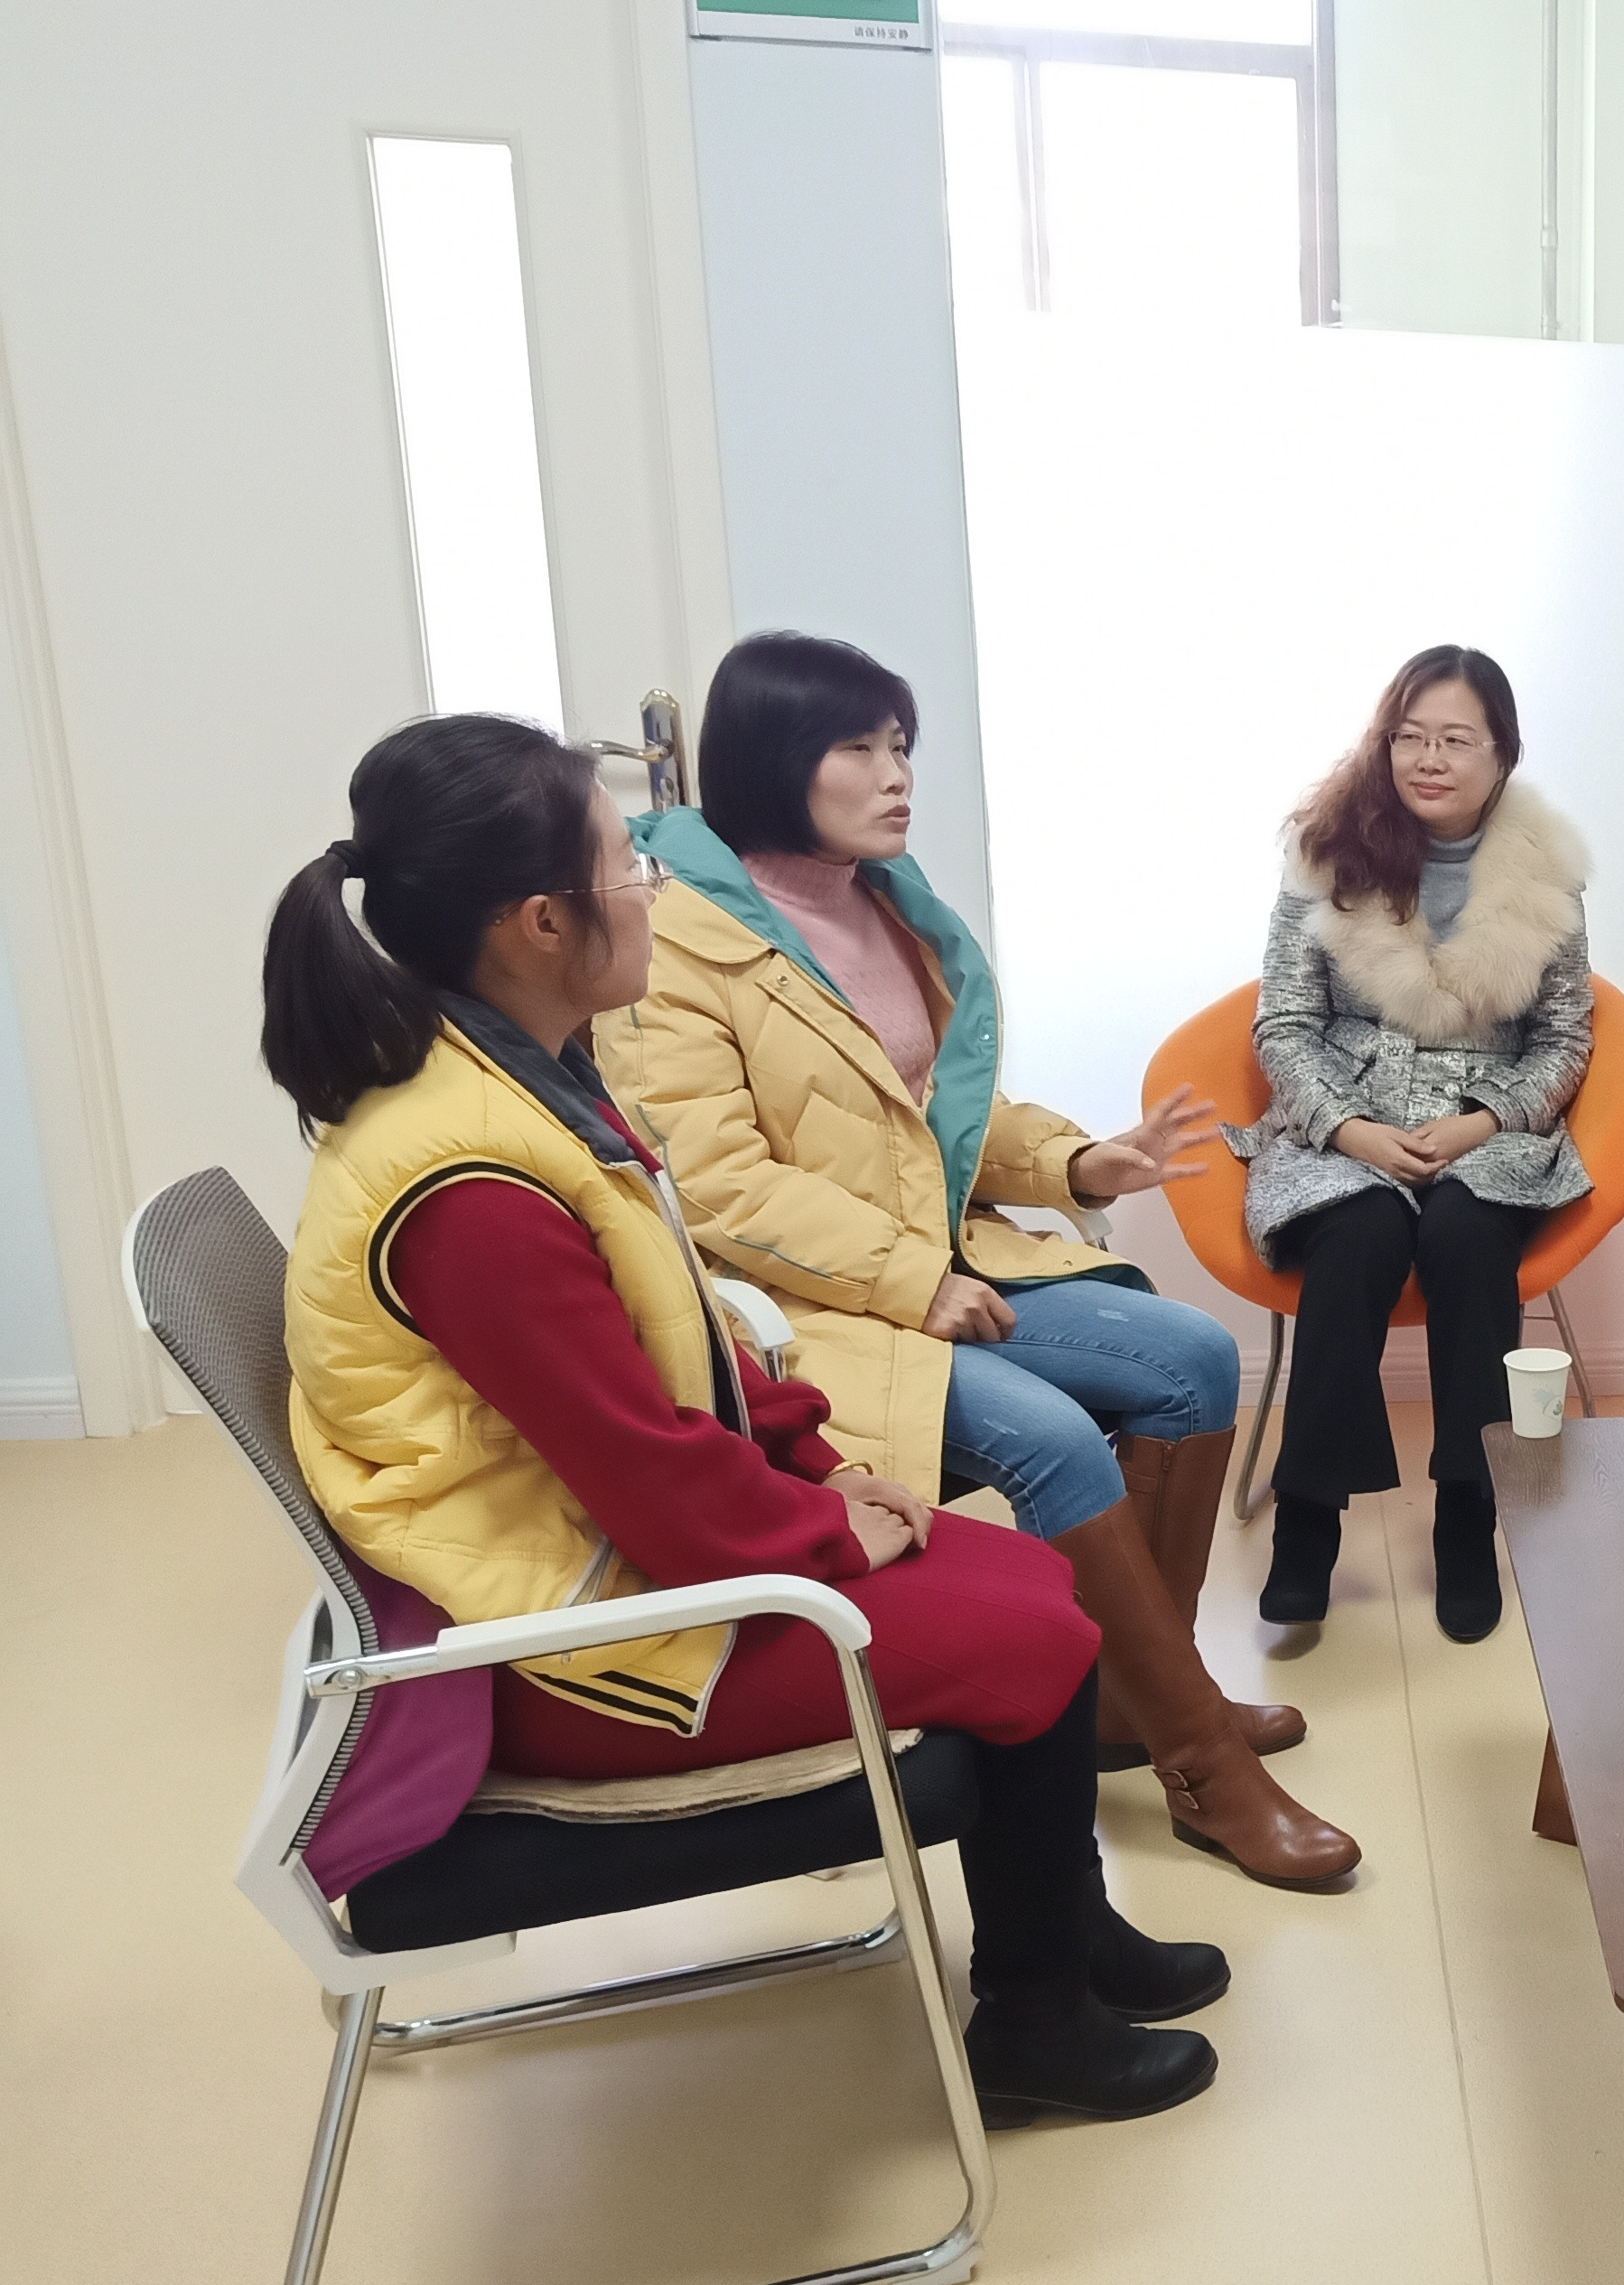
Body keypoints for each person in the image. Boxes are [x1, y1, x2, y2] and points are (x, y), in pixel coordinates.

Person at [262, 713, 1227, 2125]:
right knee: (1032, 1631)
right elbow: (647, 1474)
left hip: (596, 1551)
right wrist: (820, 1532)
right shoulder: (468, 1183)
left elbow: (680, 1340)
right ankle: (1035, 2021)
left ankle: (1063, 1939)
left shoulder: (520, 1076)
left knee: (1034, 1586)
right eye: (625, 866)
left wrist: (822, 1469)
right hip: (555, 1645)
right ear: (541, 923)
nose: (654, 889)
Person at [599, 632, 1358, 1893]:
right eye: (858, 748)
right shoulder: (679, 942)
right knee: (1054, 1439)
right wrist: (911, 1281)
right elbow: (722, 1188)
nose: (898, 774)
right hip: (803, 1306)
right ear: (775, 761)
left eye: (902, 745)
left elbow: (936, 1113)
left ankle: (1135, 1694)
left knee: (1193, 1359)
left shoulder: (885, 904)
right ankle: (1201, 1763)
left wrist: (1076, 1162)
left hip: (936, 1262)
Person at [1244, 646, 1593, 1645]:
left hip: (1484, 1127)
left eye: (1455, 740)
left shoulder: (1549, 878)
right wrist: (1350, 1130)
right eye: (1409, 737)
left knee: (1466, 1242)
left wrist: (1483, 1119)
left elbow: (1565, 1040)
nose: (1427, 759)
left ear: (1502, 754)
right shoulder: (1327, 854)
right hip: (1345, 1118)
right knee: (1355, 1241)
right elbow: (1283, 1025)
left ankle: (1469, 1518)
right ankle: (1307, 1525)